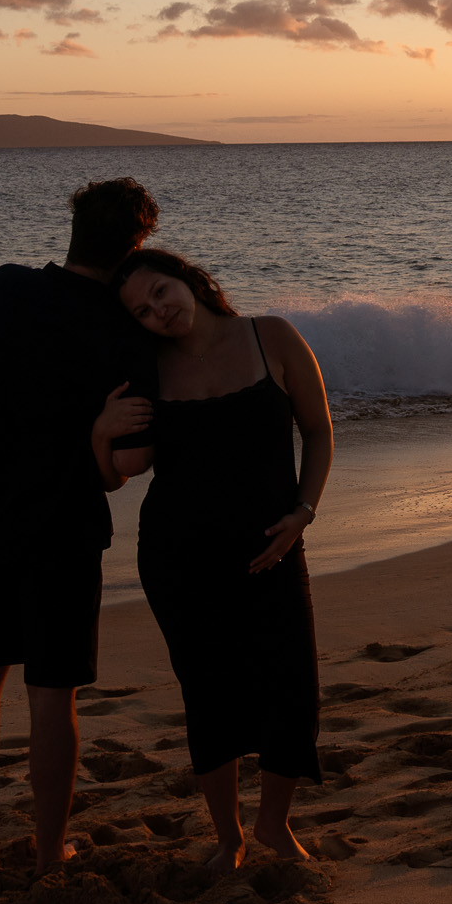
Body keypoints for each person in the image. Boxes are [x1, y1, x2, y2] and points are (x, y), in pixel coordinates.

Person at [0, 177, 160, 874]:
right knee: (51, 693)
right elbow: (127, 463)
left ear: (71, 229)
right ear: (134, 248)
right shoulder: (126, 331)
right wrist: (95, 445)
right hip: (63, 527)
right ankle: (46, 849)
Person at [89, 248, 332, 869]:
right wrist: (98, 433)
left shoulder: (270, 336)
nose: (158, 312)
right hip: (181, 558)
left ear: (190, 280)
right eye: (141, 311)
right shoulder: (148, 370)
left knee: (293, 686)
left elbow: (320, 431)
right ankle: (229, 838)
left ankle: (274, 825)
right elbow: (124, 472)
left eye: (162, 293)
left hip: (271, 550)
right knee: (210, 694)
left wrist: (303, 514)